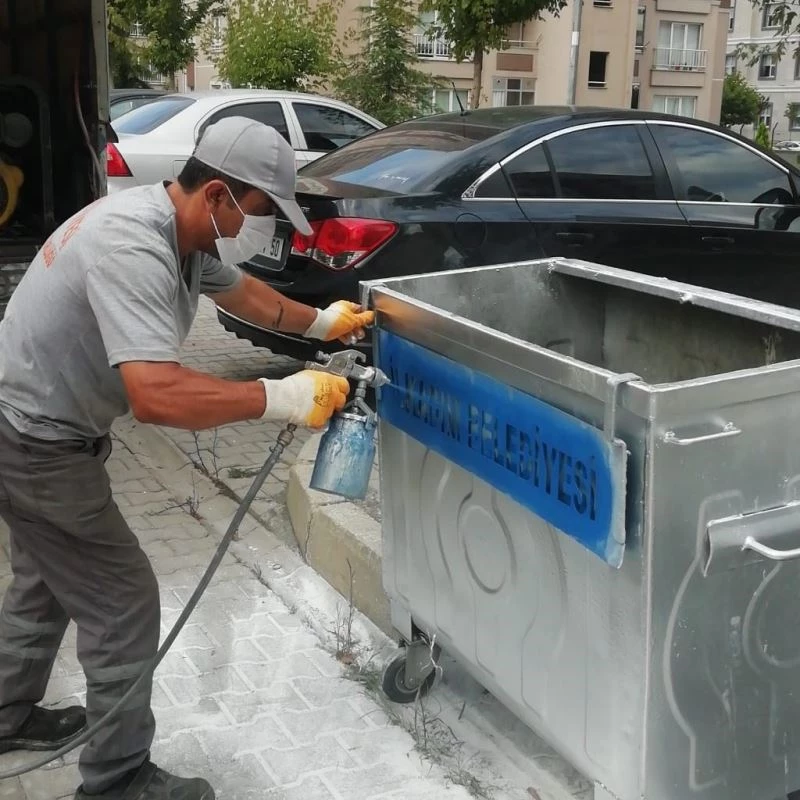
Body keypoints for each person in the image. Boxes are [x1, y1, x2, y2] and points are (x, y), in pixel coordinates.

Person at [0, 116, 373, 800]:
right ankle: (116, 781)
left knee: (45, 577)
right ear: (219, 195)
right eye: (261, 210)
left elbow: (249, 296)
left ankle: (6, 714)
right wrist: (280, 398)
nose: (261, 226)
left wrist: (323, 323)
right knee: (123, 601)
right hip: (34, 441)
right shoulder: (133, 245)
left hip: (28, 426)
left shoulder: (184, 235)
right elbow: (157, 395)